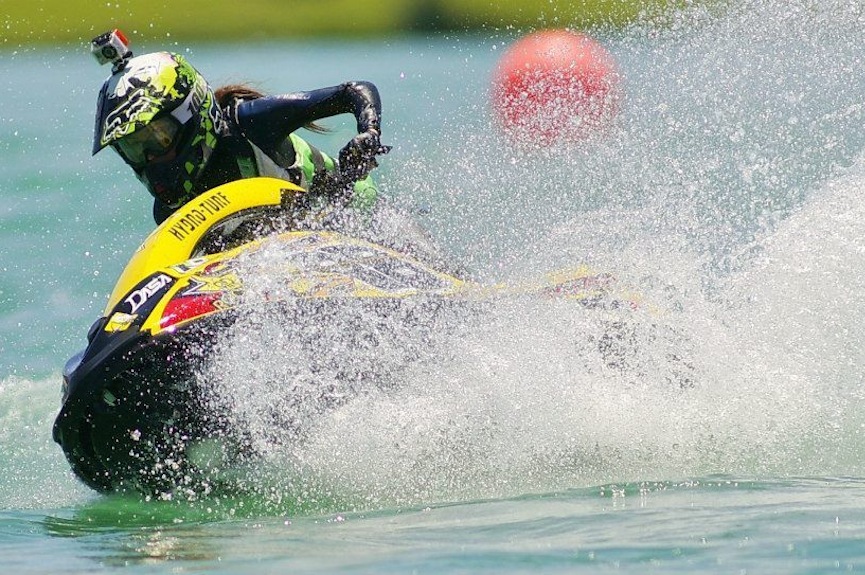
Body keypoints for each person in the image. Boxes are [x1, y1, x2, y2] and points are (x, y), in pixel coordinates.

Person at [90, 30, 389, 229]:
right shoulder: (170, 210)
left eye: (158, 138)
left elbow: (354, 91)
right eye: (133, 148)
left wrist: (369, 135)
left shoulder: (252, 123)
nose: (150, 159)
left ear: (190, 113)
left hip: (361, 220)